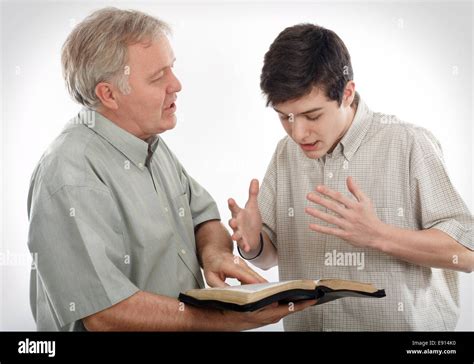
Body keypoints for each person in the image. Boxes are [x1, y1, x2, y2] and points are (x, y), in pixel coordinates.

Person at [26, 8, 314, 331]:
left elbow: (204, 218)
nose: (176, 85)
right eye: (157, 77)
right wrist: (224, 319)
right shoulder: (69, 174)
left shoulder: (150, 144)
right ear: (108, 94)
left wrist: (214, 254)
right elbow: (105, 314)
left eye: (171, 69)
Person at [228, 23, 473, 331]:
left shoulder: (409, 144)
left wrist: (378, 235)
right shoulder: (285, 153)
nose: (298, 132)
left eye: (312, 116)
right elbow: (269, 257)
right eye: (285, 117)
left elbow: (466, 253)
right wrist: (253, 244)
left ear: (347, 93)